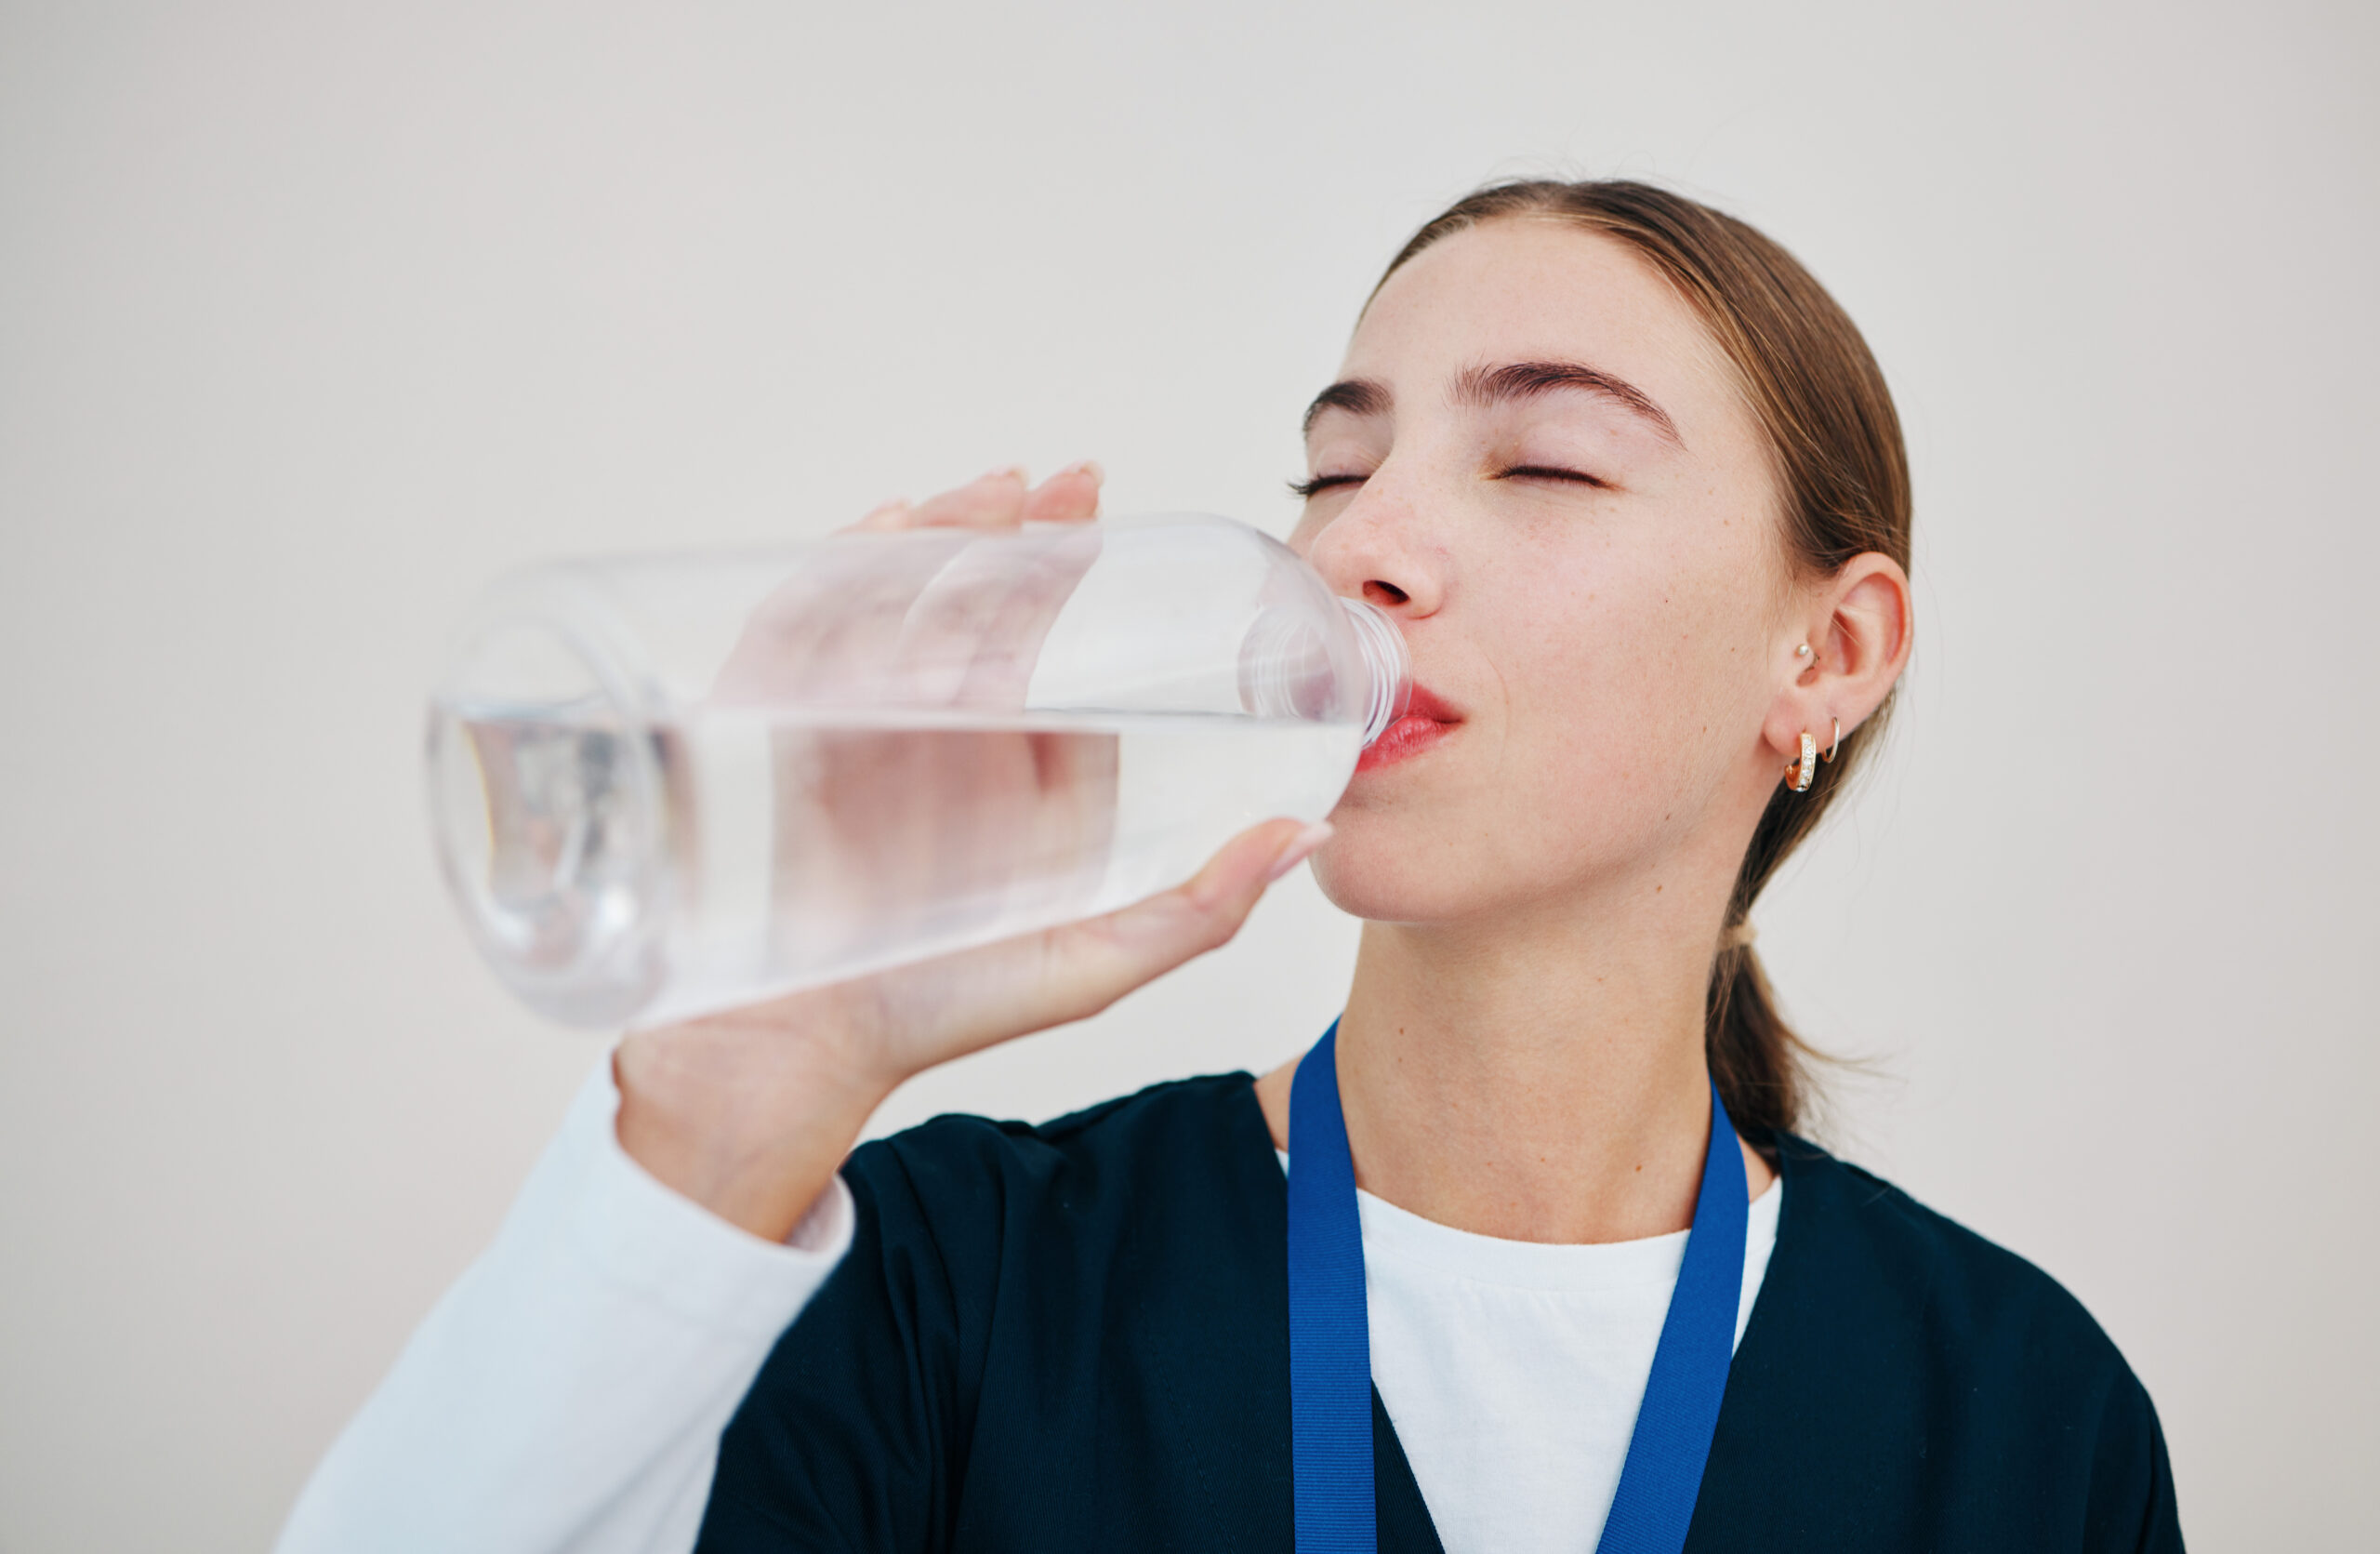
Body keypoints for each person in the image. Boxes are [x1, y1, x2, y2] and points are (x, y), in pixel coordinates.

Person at [277, 179, 2181, 1554]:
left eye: (1543, 464)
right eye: (1332, 469)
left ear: (1823, 653)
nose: (1364, 544)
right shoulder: (949, 1284)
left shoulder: (2017, 1416)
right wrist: (713, 1118)